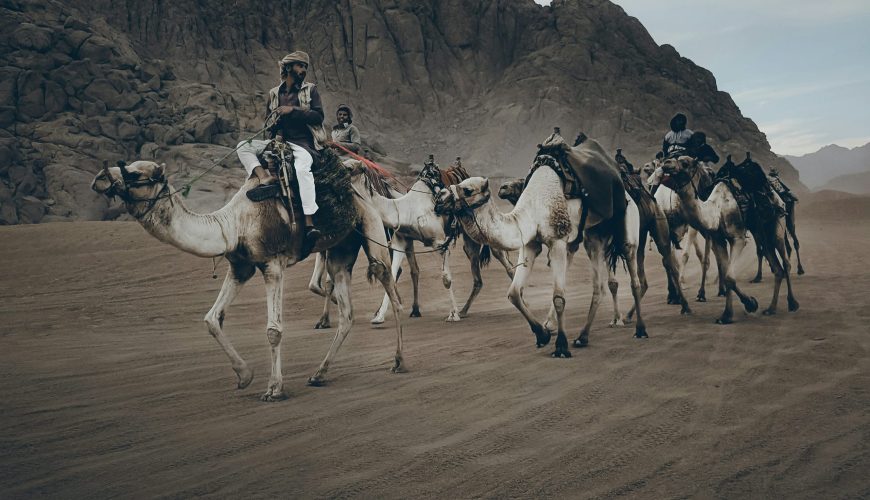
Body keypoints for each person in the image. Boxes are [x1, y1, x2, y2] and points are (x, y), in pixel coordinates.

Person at [236, 51, 327, 247]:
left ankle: (310, 222)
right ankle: (264, 177)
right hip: (280, 142)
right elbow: (268, 125)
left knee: (303, 170)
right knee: (243, 146)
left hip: (303, 143)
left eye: (305, 67)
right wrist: (273, 122)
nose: (303, 70)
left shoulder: (310, 90)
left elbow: (318, 117)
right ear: (288, 68)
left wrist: (292, 110)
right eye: (299, 66)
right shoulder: (274, 94)